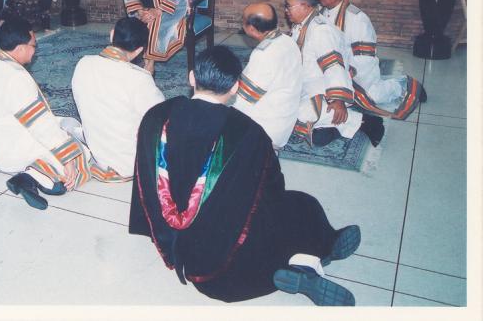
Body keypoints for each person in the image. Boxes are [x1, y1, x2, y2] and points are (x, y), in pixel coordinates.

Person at [129, 46, 360, 306]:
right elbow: (273, 189)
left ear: (192, 77)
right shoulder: (248, 131)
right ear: (235, 87)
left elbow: (144, 183)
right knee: (302, 205)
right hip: (233, 264)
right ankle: (320, 250)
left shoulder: (155, 117)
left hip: (201, 271)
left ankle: (303, 267)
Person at [0, 17, 113, 210]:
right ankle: (32, 177)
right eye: (33, 45)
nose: (35, 50)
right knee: (82, 154)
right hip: (16, 151)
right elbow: (40, 125)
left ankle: (34, 177)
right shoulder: (15, 77)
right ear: (20, 48)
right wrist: (67, 157)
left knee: (67, 123)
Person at [317, 0, 425, 124]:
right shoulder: (320, 13)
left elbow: (365, 57)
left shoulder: (356, 19)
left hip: (357, 69)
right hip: (331, 66)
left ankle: (401, 84)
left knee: (371, 97)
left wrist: (345, 73)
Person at [71, 17, 164, 179]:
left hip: (97, 153)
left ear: (112, 34)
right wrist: (148, 77)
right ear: (139, 50)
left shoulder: (83, 63)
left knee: (68, 124)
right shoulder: (139, 79)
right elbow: (161, 116)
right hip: (130, 162)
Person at [285, 0, 377, 147]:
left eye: (289, 6)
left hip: (323, 87)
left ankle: (362, 121)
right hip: (305, 82)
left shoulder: (320, 31)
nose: (286, 10)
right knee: (277, 103)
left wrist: (338, 99)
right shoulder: (303, 23)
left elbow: (334, 66)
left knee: (297, 113)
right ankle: (328, 128)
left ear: (305, 6)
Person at [233, 3, 302, 151]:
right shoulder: (287, 40)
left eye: (243, 20)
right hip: (284, 121)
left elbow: (242, 101)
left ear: (251, 29)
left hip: (267, 131)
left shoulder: (263, 54)